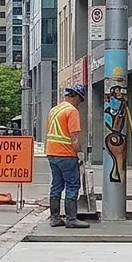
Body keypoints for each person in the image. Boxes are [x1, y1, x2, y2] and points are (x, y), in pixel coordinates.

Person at [45, 84, 90, 229]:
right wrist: (80, 153)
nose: (80, 103)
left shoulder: (54, 110)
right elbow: (74, 137)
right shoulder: (72, 111)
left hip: (52, 152)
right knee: (72, 185)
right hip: (66, 154)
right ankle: (71, 219)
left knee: (56, 185)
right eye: (80, 100)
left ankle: (55, 218)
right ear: (75, 96)